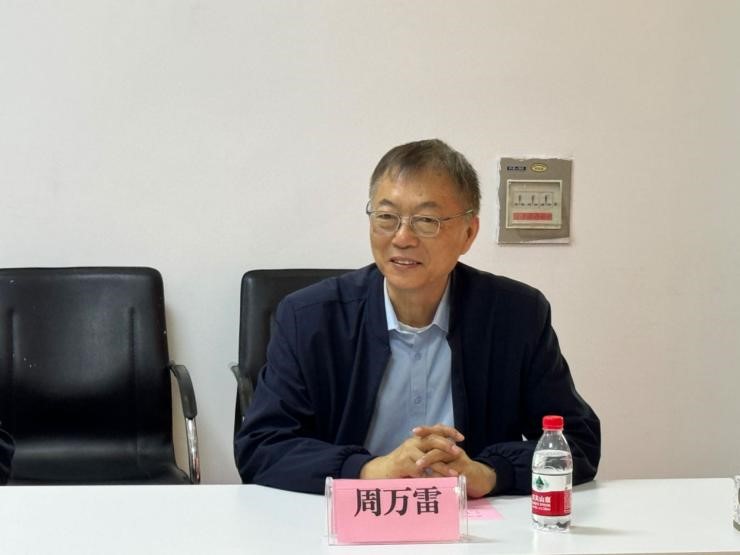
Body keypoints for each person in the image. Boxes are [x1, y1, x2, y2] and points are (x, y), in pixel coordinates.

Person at [235, 139, 600, 497]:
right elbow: (262, 446)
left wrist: (489, 473)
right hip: (348, 519)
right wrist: (369, 470)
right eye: (387, 217)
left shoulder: (516, 316)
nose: (402, 237)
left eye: (426, 220)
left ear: (469, 233)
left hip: (474, 522)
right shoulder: (309, 318)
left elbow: (576, 442)